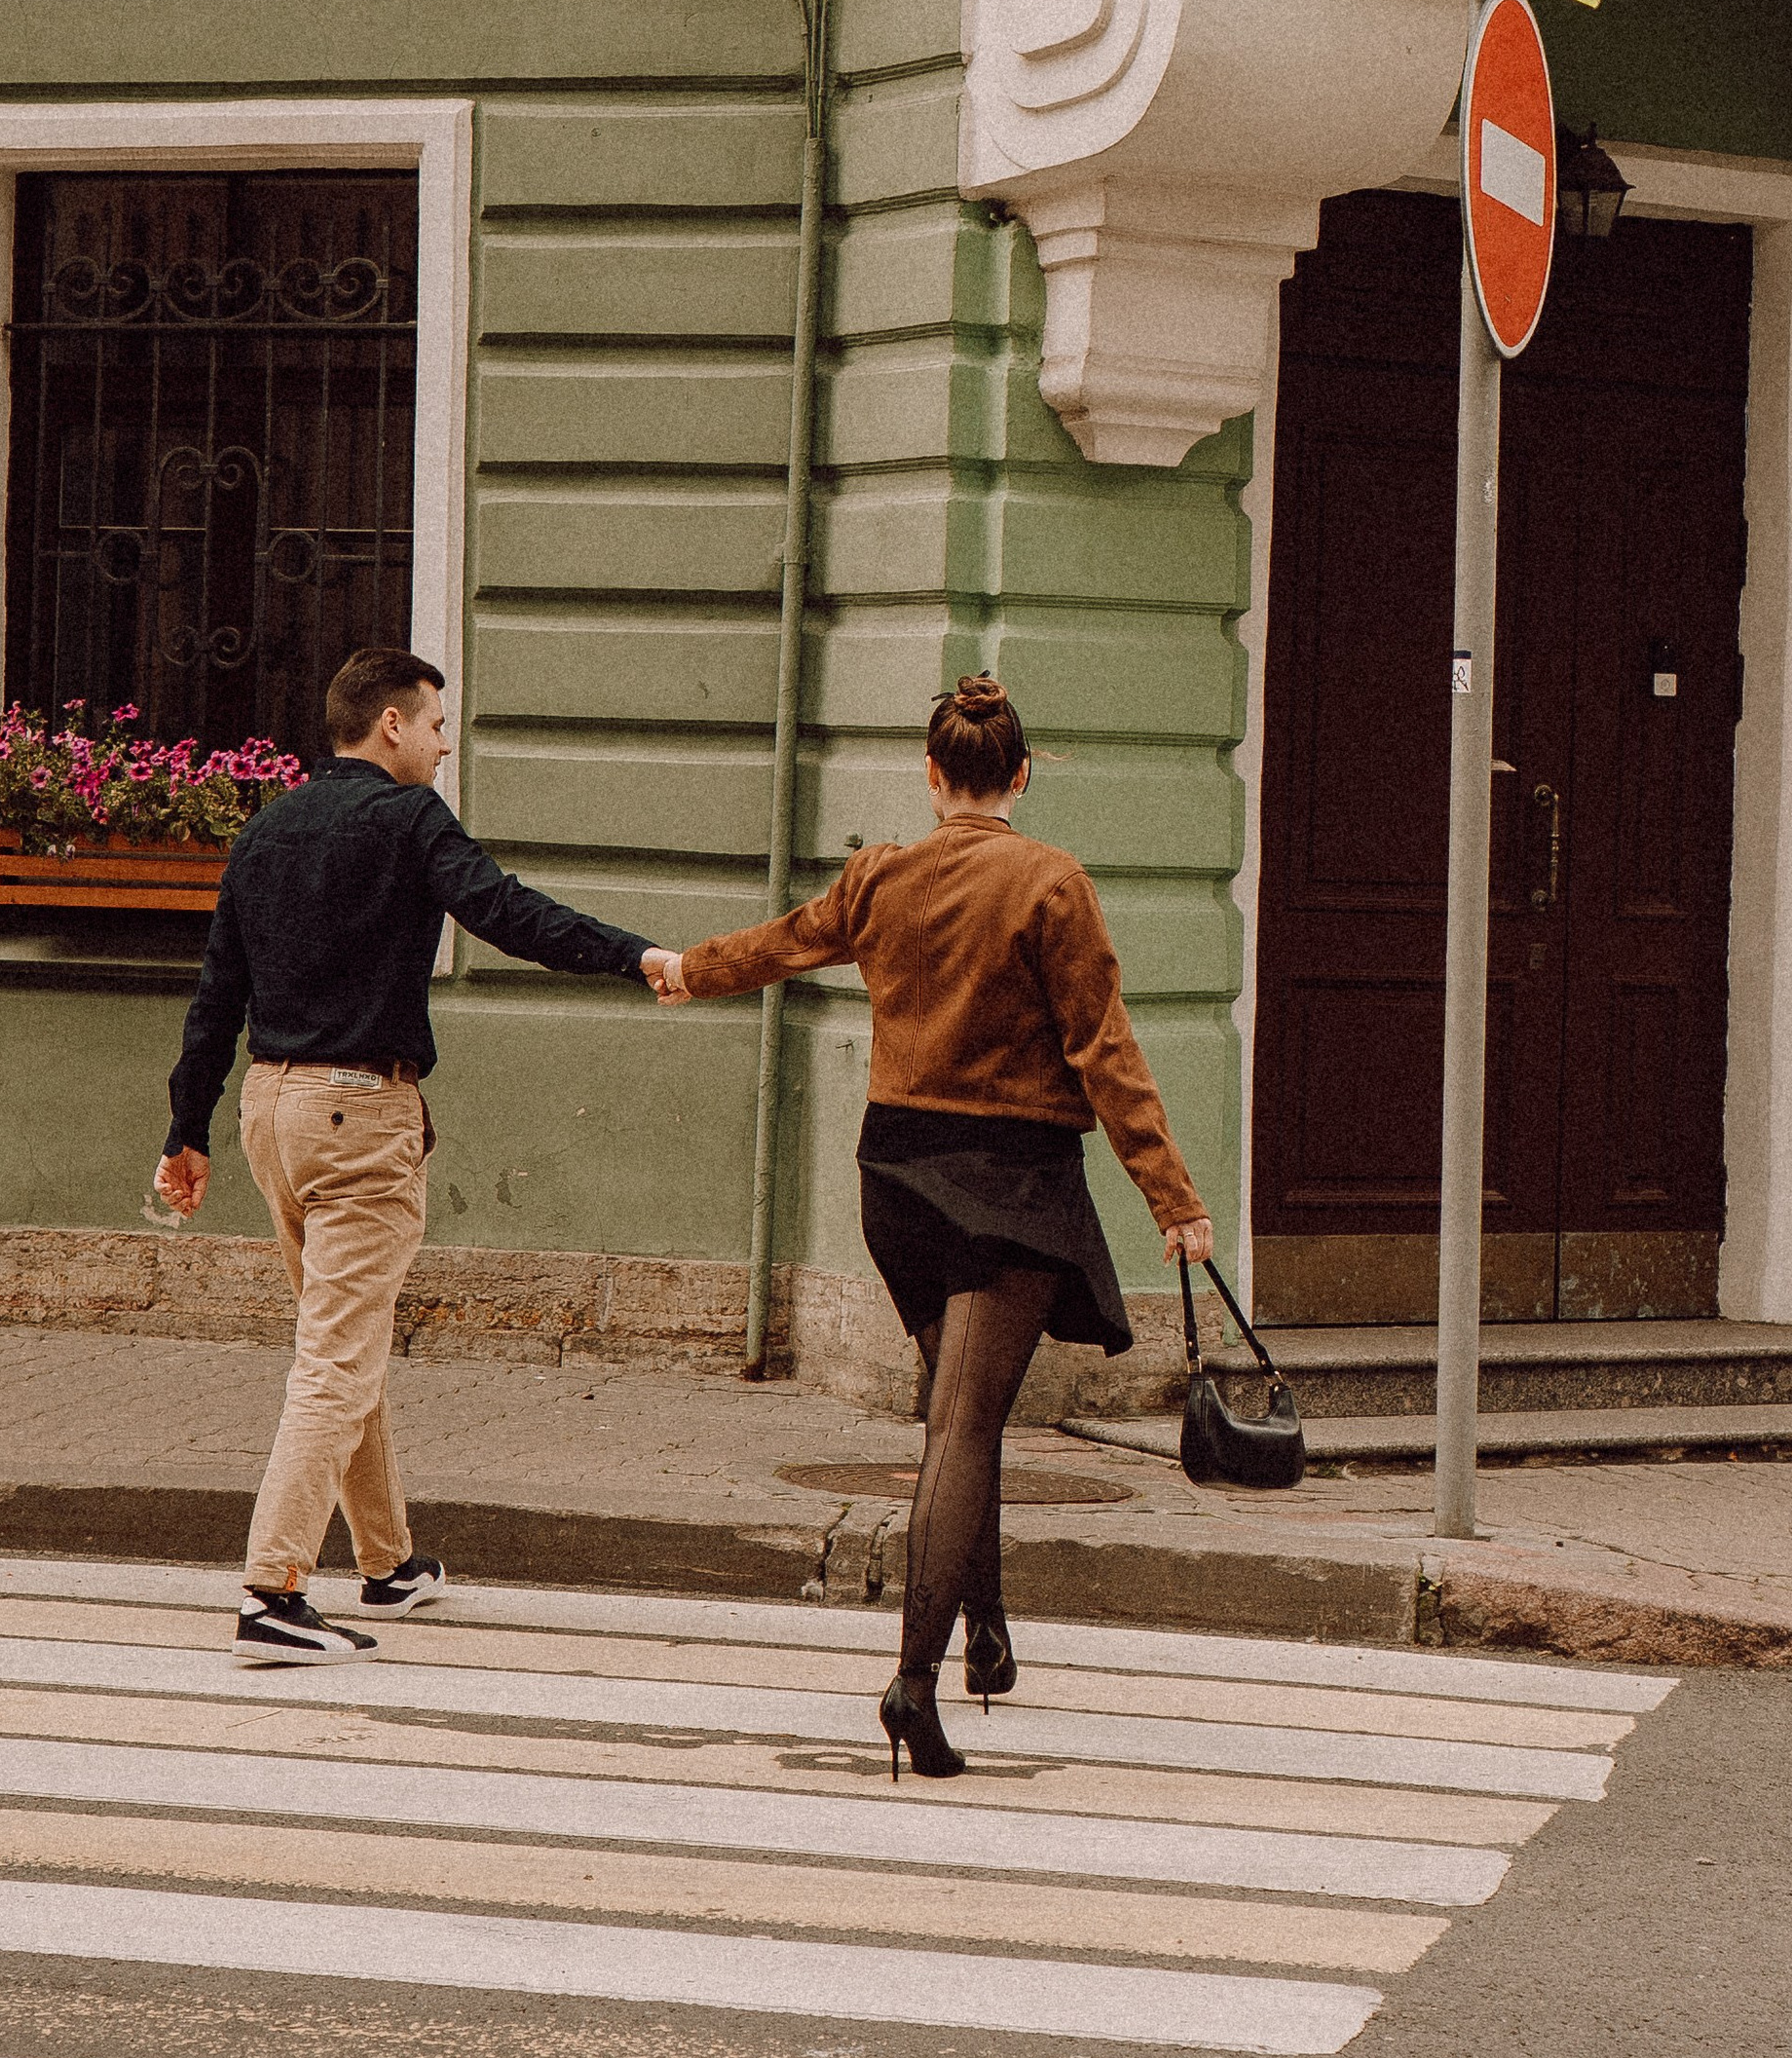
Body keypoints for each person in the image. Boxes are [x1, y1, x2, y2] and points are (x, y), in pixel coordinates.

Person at [646, 673, 1212, 1781]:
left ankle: (985, 1629)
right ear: (1022, 774)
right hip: (1009, 1178)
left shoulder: (880, 875)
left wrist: (685, 972)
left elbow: (787, 943)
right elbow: (1103, 1048)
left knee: (964, 1412)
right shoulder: (1050, 882)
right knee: (964, 1426)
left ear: (931, 774)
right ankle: (913, 1681)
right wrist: (1172, 1198)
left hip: (895, 1175)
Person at [155, 648, 658, 1667]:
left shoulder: (268, 825)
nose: (443, 740)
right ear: (390, 725)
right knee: (335, 1360)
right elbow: (509, 911)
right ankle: (272, 1590)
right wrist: (633, 955)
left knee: (347, 1334)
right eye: (435, 724)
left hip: (271, 1113)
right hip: (358, 1117)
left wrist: (184, 1130)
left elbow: (219, 993)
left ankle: (385, 1562)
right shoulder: (408, 820)